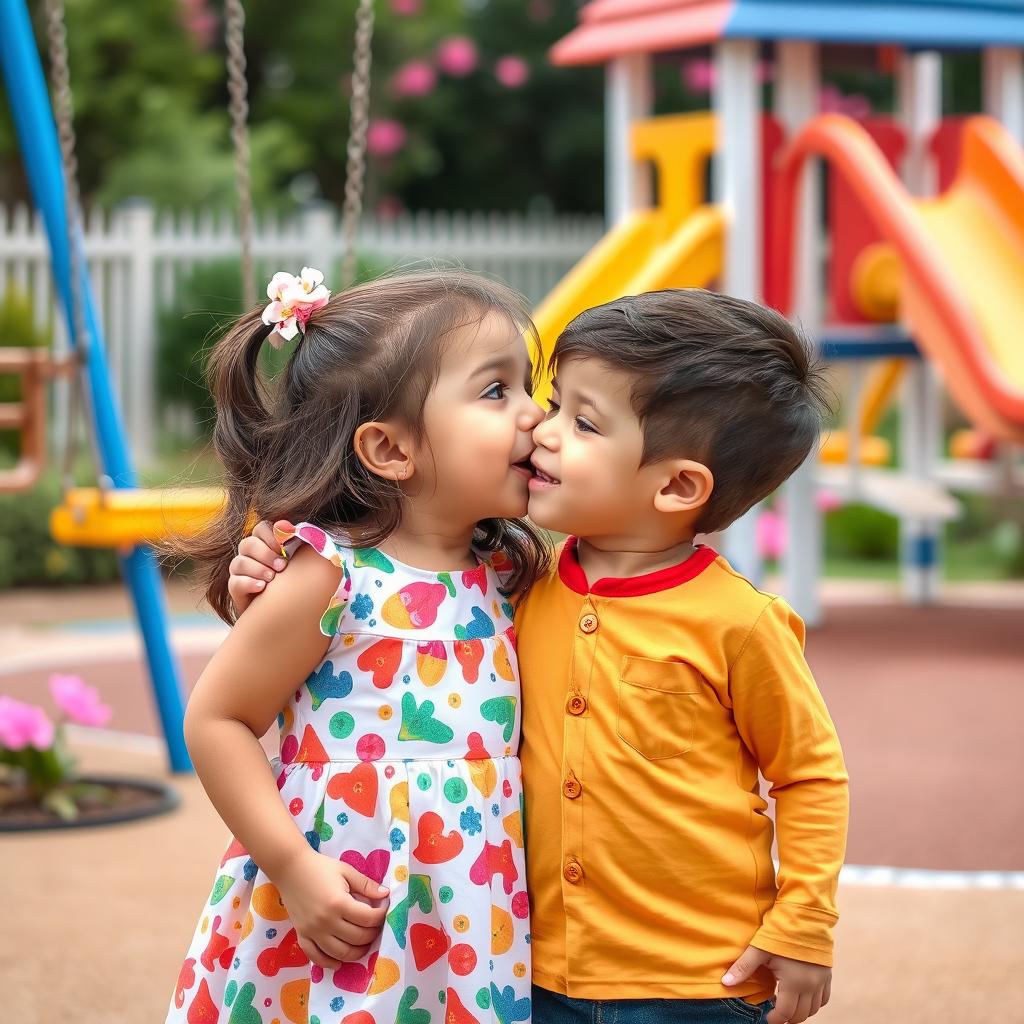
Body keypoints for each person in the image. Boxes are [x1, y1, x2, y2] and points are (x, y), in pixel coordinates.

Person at [230, 288, 850, 1024]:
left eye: (581, 421)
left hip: (700, 982)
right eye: (548, 401)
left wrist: (806, 922)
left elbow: (809, 773)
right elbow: (373, 654)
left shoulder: (738, 623)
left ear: (678, 485)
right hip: (528, 969)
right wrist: (262, 585)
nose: (541, 427)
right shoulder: (520, 588)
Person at [167, 268, 546, 1024]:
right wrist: (293, 867)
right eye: (497, 391)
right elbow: (218, 721)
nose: (538, 415)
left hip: (470, 913)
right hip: (339, 902)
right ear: (391, 449)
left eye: (528, 385)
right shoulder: (332, 576)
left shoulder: (508, 574)